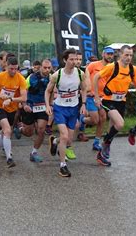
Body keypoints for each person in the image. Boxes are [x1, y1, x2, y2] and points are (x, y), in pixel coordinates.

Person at [93, 45, 136, 167]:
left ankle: (103, 152)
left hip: (121, 101)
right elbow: (96, 77)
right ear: (120, 54)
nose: (129, 58)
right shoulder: (112, 66)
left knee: (113, 128)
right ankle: (104, 147)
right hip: (108, 99)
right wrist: (96, 97)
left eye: (131, 55)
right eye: (126, 55)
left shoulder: (133, 69)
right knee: (120, 124)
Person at [45, 48, 88, 177]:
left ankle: (54, 142)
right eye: (71, 59)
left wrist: (83, 104)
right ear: (65, 60)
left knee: (68, 139)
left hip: (73, 108)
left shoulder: (80, 74)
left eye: (76, 59)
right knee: (64, 136)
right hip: (60, 108)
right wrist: (48, 105)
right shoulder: (56, 75)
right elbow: (48, 91)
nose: (74, 62)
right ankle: (62, 166)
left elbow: (84, 89)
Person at [0, 57, 27, 168]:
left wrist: (11, 99)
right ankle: (9, 158)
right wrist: (0, 96)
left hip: (12, 108)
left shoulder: (20, 78)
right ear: (6, 66)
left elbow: (24, 97)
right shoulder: (0, 76)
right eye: (11, 69)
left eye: (16, 69)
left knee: (4, 132)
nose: (13, 71)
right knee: (7, 130)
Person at [18, 59, 52, 163]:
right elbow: (23, 92)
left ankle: (34, 152)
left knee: (41, 130)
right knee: (29, 133)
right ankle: (20, 129)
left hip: (43, 107)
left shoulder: (52, 78)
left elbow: (51, 92)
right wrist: (24, 104)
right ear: (40, 67)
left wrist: (50, 105)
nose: (47, 70)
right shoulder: (31, 78)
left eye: (49, 68)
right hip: (30, 107)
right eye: (45, 68)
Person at [84, 47, 113, 151]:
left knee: (103, 119)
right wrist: (87, 89)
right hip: (91, 96)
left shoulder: (111, 67)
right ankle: (81, 120)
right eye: (108, 54)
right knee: (95, 120)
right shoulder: (93, 65)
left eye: (111, 54)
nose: (110, 56)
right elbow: (85, 76)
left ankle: (96, 142)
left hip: (103, 97)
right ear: (103, 54)